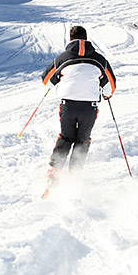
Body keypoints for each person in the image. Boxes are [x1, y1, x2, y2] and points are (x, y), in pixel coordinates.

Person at [40, 26, 117, 183]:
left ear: (70, 39)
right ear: (86, 38)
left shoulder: (62, 58)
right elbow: (111, 85)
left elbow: (46, 81)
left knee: (66, 136)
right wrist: (106, 93)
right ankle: (74, 173)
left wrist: (58, 80)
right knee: (82, 139)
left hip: (67, 105)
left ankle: (54, 171)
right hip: (89, 106)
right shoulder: (99, 60)